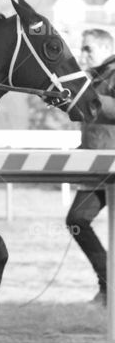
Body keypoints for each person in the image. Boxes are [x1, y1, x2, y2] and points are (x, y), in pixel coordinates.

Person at [65, 28, 115, 305]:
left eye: (88, 49)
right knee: (77, 221)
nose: (82, 54)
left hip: (110, 166)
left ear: (107, 49)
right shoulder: (93, 78)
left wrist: (91, 100)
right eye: (81, 48)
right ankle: (109, 286)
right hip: (97, 168)